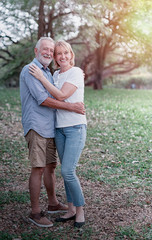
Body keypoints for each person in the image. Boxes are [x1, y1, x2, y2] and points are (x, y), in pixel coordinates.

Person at [20, 37, 85, 228]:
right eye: (47, 50)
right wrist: (72, 107)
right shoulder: (33, 71)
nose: (50, 53)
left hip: (58, 128)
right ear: (36, 51)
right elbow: (44, 99)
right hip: (38, 127)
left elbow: (59, 92)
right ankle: (35, 212)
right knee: (39, 168)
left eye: (52, 50)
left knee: (54, 168)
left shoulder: (55, 73)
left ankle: (58, 204)